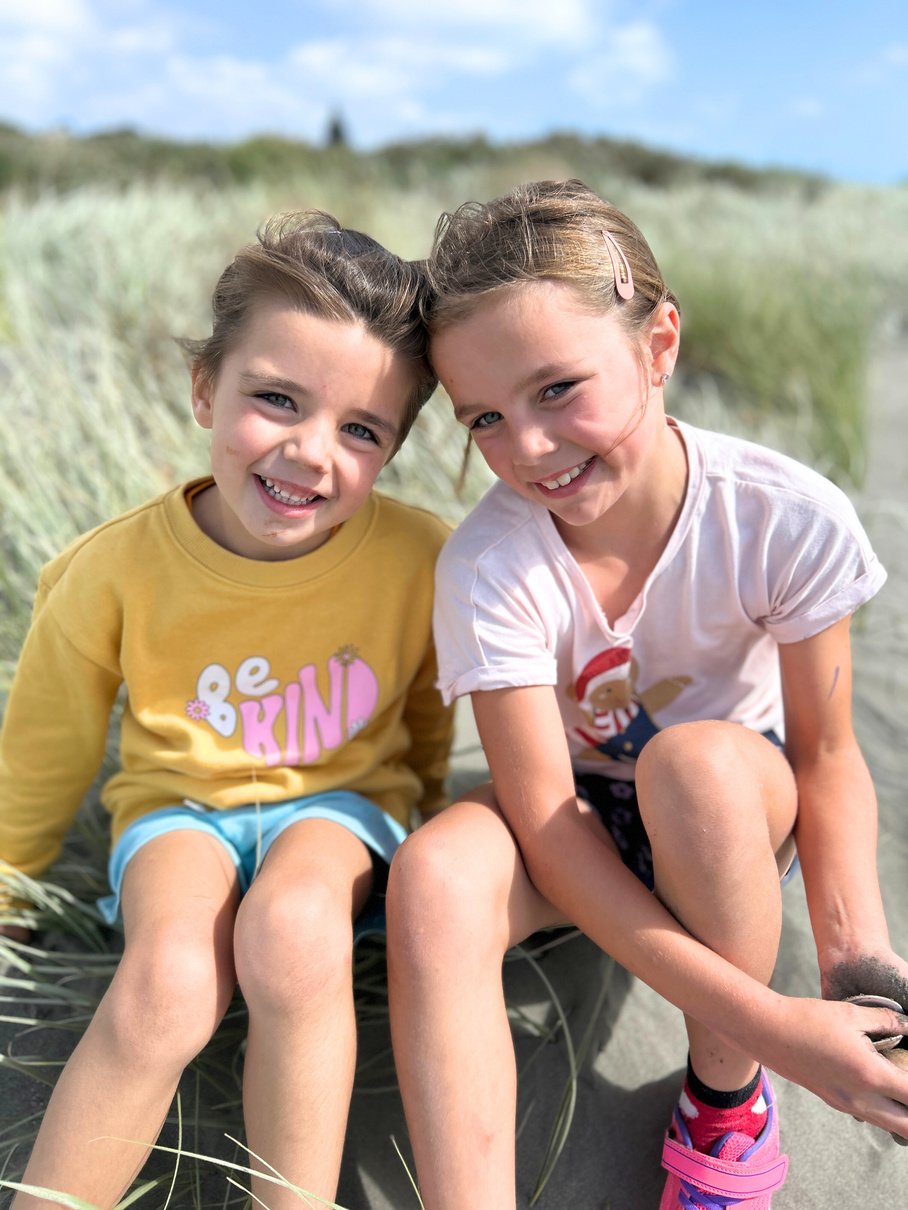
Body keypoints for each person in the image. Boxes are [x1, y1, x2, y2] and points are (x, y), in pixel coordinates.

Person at [386, 179, 908, 1208]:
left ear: (657, 343)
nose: (528, 448)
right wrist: (776, 1019)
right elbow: (543, 817)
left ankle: (720, 1104)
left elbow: (824, 757)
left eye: (556, 388)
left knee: (696, 765)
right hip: (571, 817)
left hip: (723, 813)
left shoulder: (780, 517)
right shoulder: (491, 562)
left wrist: (854, 969)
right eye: (483, 417)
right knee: (433, 879)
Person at [0, 211, 453, 1208]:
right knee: (167, 979)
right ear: (207, 385)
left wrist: (417, 809)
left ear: (392, 447)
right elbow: (49, 741)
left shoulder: (417, 558)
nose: (307, 452)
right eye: (275, 398)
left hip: (340, 811)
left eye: (360, 429)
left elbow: (426, 711)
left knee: (292, 931)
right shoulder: (110, 568)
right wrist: (10, 884)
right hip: (178, 813)